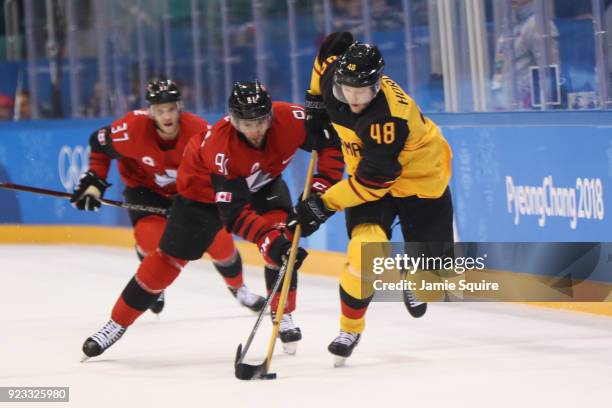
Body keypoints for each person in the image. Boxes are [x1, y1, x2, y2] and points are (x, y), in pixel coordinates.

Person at [80, 80, 344, 360]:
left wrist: (321, 189)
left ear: (270, 115)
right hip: (201, 196)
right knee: (167, 262)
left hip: (263, 184)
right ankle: (115, 324)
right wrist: (266, 239)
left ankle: (284, 315)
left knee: (284, 240)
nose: (254, 130)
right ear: (232, 120)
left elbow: (329, 141)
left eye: (259, 121)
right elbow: (234, 213)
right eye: (245, 123)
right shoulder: (220, 147)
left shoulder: (291, 118)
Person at [290, 32, 453, 365]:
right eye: (346, 89)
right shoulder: (337, 75)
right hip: (371, 174)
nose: (352, 98)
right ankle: (349, 329)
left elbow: (372, 183)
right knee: (365, 253)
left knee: (433, 277)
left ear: (376, 86)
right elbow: (333, 45)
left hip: (419, 177)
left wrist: (323, 205)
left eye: (361, 91)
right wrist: (314, 107)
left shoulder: (387, 120)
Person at [71, 79, 265, 319]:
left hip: (189, 193)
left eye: (171, 109)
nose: (167, 116)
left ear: (180, 107)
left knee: (221, 243)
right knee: (149, 237)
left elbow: (217, 168)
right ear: (150, 112)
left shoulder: (199, 130)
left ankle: (239, 289)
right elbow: (98, 143)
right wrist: (94, 180)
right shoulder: (131, 129)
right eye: (160, 110)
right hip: (146, 192)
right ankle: (154, 284)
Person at [491, 0, 560, 109]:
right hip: (506, 107)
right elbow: (500, 67)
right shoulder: (509, 25)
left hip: (528, 111)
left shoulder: (539, 24)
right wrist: (497, 99)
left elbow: (550, 74)